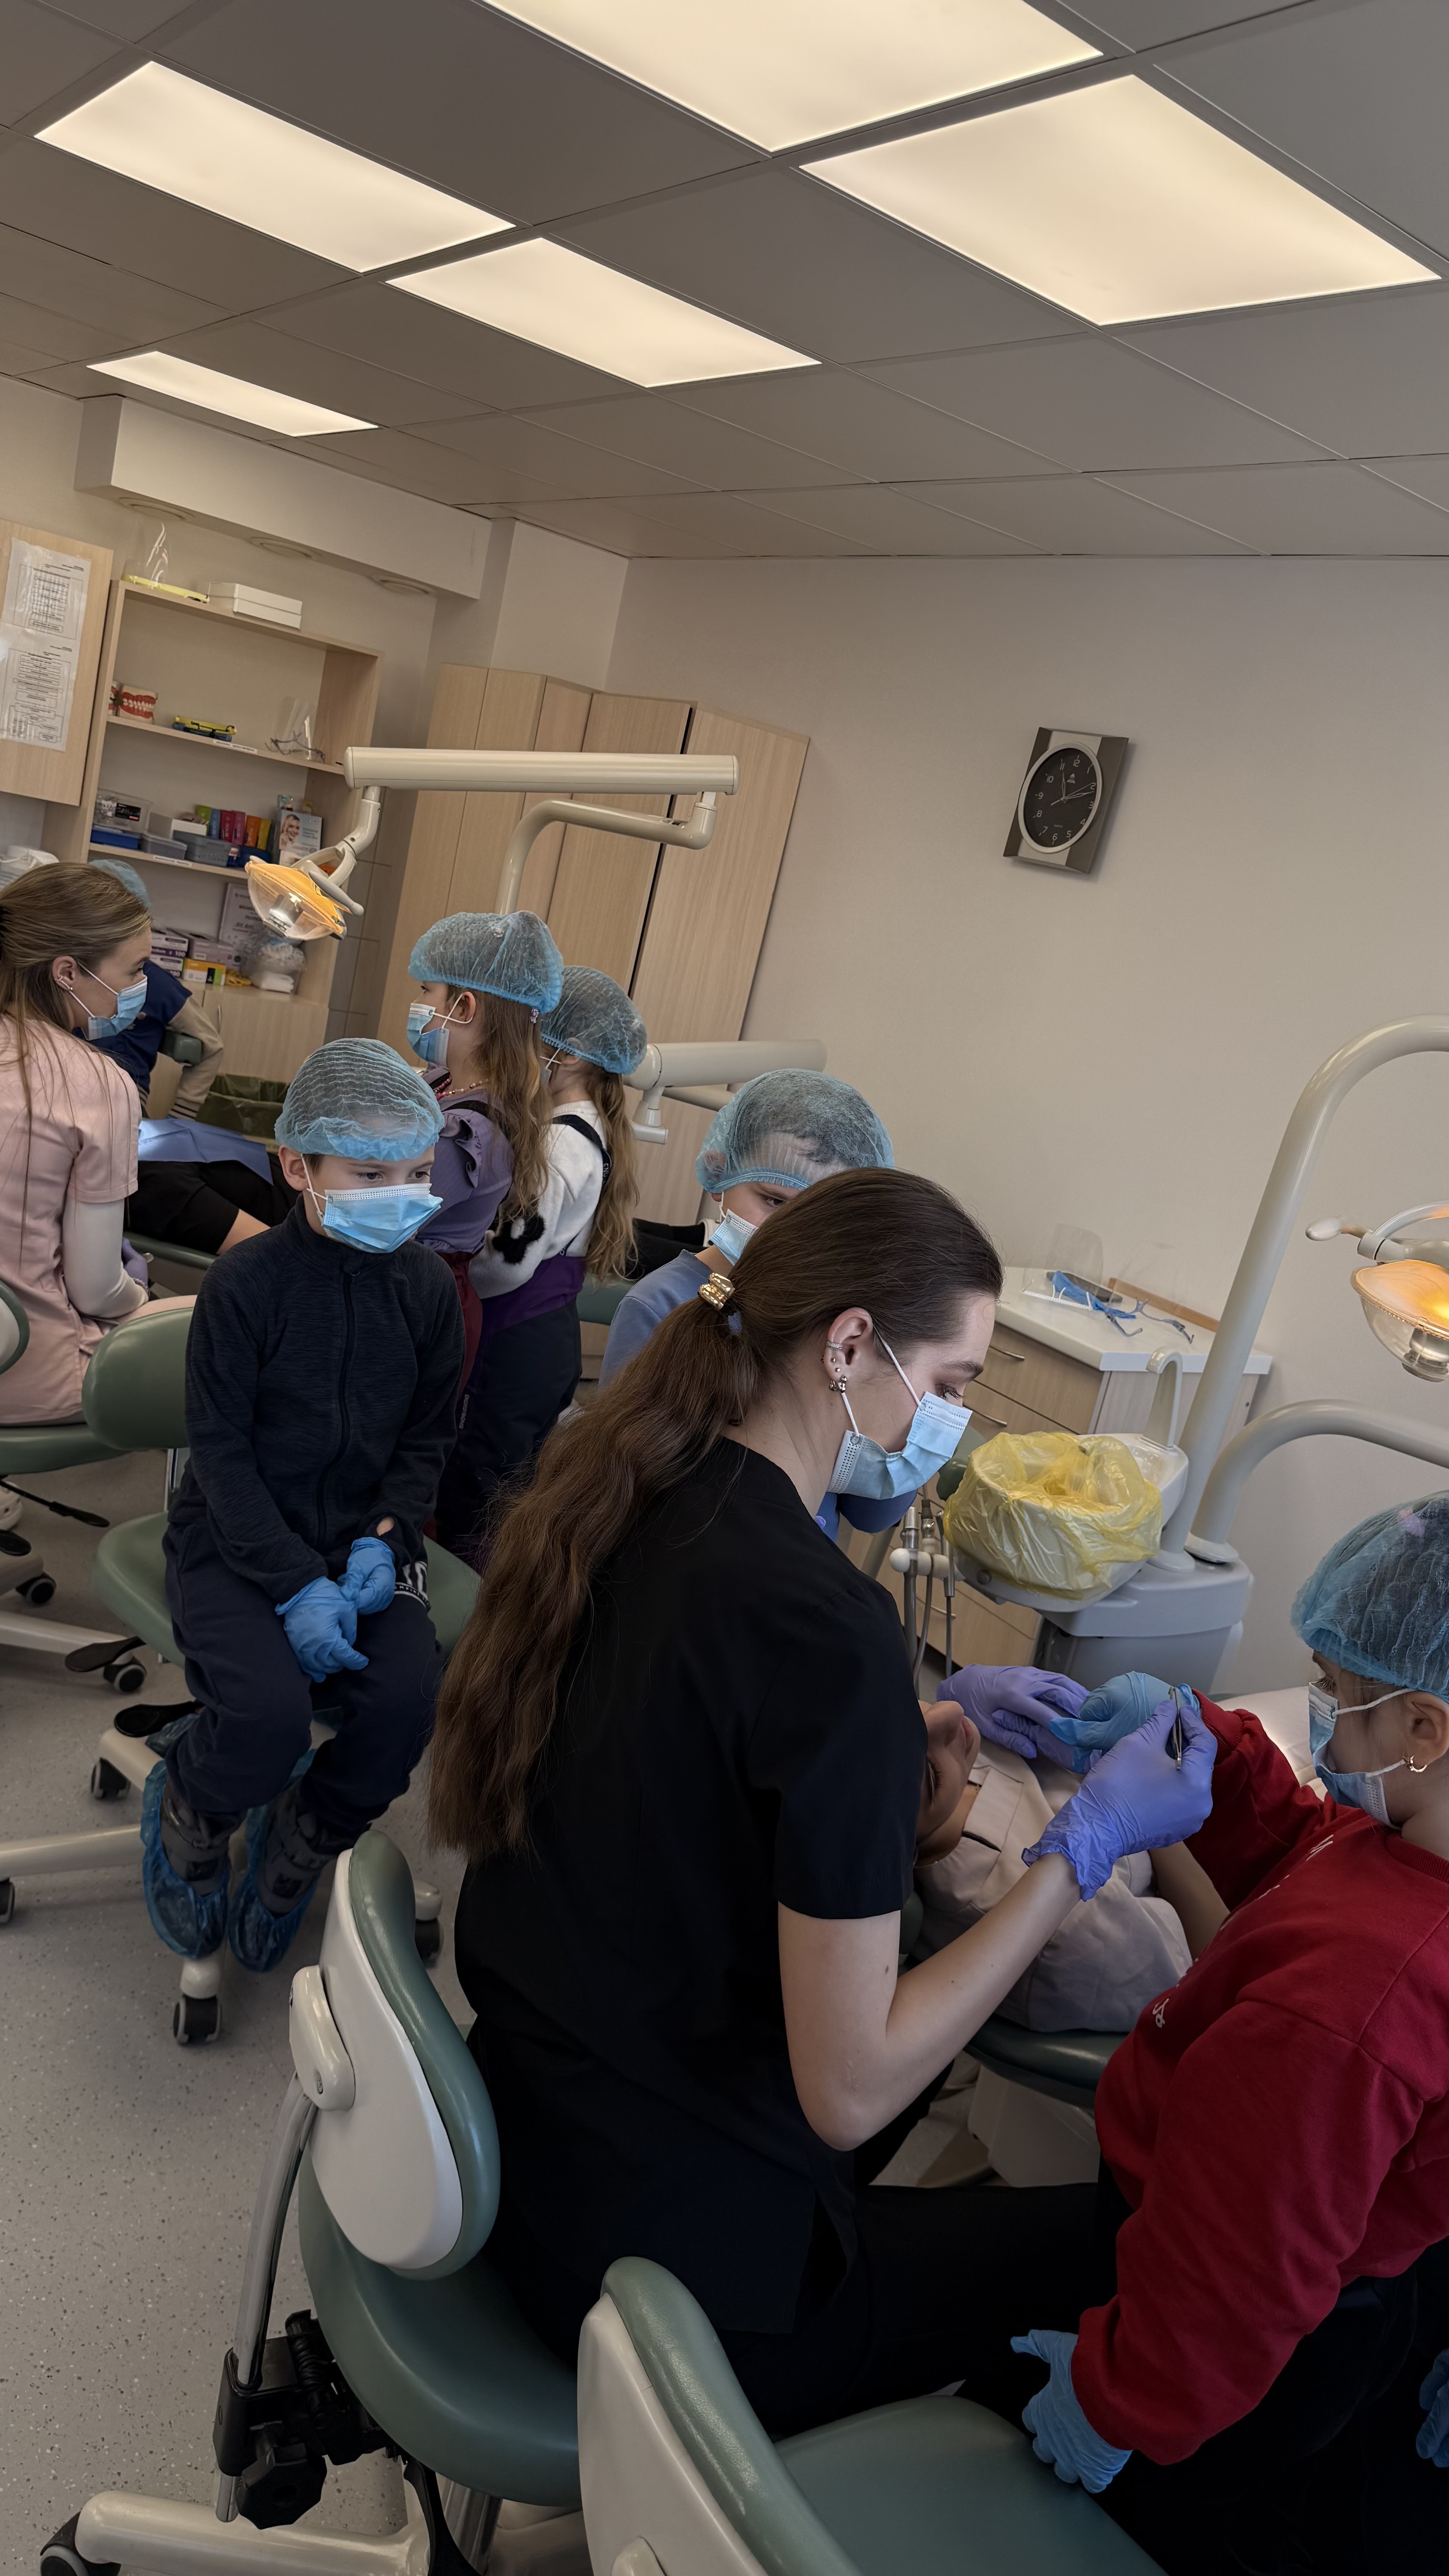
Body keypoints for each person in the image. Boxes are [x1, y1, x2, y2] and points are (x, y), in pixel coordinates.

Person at [428, 1167, 1213, 2436]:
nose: (952, 1420)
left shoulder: (623, 1491)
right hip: (671, 2297)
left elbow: (670, 1765)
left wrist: (885, 1759)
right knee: (1137, 2237)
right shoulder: (827, 1634)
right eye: (951, 1383)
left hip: (533, 2156)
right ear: (848, 1345)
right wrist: (1081, 1847)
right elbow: (849, 2091)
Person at [1002, 1494, 1449, 2576]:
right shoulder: (1404, 1850)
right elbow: (1308, 1853)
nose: (1321, 1720)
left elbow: (1233, 2271)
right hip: (1294, 2315)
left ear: (1426, 1731)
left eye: (1335, 1693)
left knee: (1171, 2526)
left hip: (1229, 2354)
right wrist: (1201, 1739)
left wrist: (1115, 2403)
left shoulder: (1350, 2008)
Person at [146, 1039, 465, 1975]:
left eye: (417, 1173)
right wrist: (292, 1582)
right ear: (297, 1166)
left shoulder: (426, 1291)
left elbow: (424, 1441)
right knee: (266, 1718)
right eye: (370, 1174)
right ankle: (193, 1799)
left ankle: (310, 1827)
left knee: (406, 1703)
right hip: (235, 1536)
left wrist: (384, 1539)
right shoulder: (244, 1286)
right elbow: (221, 1457)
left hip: (362, 1543)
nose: (400, 1195)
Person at [600, 1069, 905, 1550]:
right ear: (720, 1174)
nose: (791, 1234)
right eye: (774, 1201)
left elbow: (871, 1512)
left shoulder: (840, 1326)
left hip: (798, 1567)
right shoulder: (660, 1307)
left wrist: (906, 1391)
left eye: (818, 1217)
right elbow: (625, 1487)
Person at [433, 962, 648, 1566]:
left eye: (532, 1033)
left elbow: (509, 1263)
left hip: (513, 1343)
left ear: (570, 1055)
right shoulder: (590, 1127)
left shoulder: (557, 1142)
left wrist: (446, 1281)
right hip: (545, 1341)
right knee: (504, 1490)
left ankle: (466, 1609)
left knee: (475, 1499)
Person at [914, 1710, 1191, 2030]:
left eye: (901, 1701)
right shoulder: (1061, 1927)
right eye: (929, 1772)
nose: (950, 1711)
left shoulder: (963, 1737)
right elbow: (1204, 1978)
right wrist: (1150, 1808)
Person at [0, 863, 150, 1422]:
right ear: (67, 971)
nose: (140, 990)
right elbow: (95, 1290)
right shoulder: (97, 1083)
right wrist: (141, 1294)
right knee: (229, 1333)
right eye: (134, 970)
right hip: (27, 1373)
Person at [86, 857, 224, 1118]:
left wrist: (183, 1114)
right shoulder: (67, 975)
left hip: (122, 1098)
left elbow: (211, 1045)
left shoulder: (153, 982)